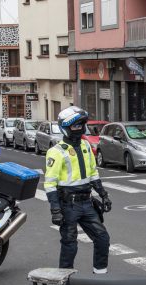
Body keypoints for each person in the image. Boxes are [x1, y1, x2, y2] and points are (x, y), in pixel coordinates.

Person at [44, 106, 112, 273]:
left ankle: (100, 277)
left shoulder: (86, 146)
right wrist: (55, 209)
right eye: (75, 126)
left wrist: (103, 194)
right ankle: (65, 281)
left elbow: (93, 172)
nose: (80, 129)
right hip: (68, 205)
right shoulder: (56, 152)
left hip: (87, 203)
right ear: (65, 128)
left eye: (82, 125)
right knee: (69, 243)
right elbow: (50, 183)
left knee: (102, 238)